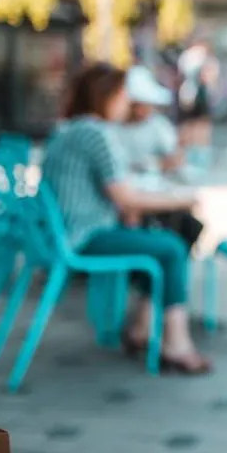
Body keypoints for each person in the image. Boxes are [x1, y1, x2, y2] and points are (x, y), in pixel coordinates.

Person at [43, 62, 212, 374]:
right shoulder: (94, 132)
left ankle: (143, 327)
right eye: (123, 95)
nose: (127, 103)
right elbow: (124, 196)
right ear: (105, 96)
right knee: (172, 246)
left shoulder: (70, 129)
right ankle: (174, 342)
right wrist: (180, 198)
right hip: (85, 236)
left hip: (65, 231)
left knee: (164, 238)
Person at [118, 65, 205, 248]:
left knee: (186, 218)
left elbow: (176, 158)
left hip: (152, 188)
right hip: (127, 197)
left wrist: (156, 165)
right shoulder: (113, 127)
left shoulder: (157, 125)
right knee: (132, 215)